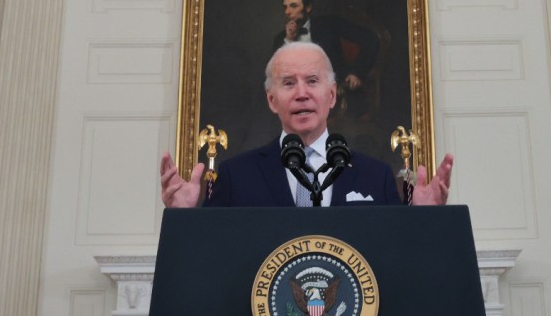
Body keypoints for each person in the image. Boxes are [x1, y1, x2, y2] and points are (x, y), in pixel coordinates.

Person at [160, 42, 453, 208]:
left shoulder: (375, 176)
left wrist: (424, 219)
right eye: (289, 83)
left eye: (312, 81)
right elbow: (211, 255)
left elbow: (399, 257)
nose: (302, 93)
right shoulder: (237, 176)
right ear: (272, 100)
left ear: (332, 95)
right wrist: (183, 217)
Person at [273, 0, 378, 101]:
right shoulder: (281, 39)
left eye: (293, 6)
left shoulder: (329, 24)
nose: (287, 12)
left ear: (308, 7)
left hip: (334, 90)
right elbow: (276, 74)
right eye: (285, 7)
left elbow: (370, 38)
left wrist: (357, 72)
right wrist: (289, 41)